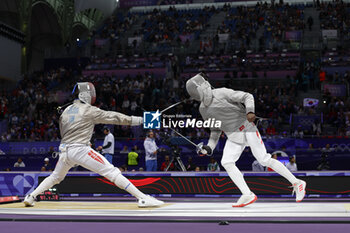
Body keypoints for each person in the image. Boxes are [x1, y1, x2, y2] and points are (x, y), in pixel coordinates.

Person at [24, 82, 163, 208]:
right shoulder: (89, 110)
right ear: (88, 95)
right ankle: (143, 198)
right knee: (112, 171)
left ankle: (31, 196)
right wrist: (139, 120)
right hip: (79, 150)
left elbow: (64, 132)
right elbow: (113, 117)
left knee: (55, 177)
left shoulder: (66, 111)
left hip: (64, 151)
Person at [186, 73, 306, 207]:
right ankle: (247, 194)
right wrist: (209, 147)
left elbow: (247, 96)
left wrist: (250, 112)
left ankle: (297, 182)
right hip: (233, 137)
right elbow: (215, 130)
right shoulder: (203, 110)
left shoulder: (221, 93)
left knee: (263, 159)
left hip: (247, 127)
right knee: (227, 162)